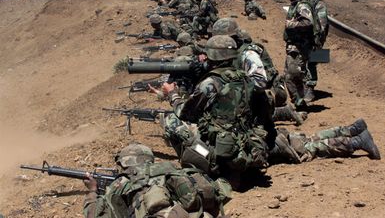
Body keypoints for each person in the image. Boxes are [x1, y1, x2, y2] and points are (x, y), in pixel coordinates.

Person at [159, 35, 271, 189]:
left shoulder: (211, 83)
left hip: (219, 153)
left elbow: (185, 113)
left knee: (171, 121)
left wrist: (172, 94)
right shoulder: (246, 78)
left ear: (212, 57)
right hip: (244, 145)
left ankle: (206, 168)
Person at [83, 143, 232, 218]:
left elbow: (94, 214)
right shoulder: (169, 168)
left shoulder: (120, 184)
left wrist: (92, 191)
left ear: (126, 162)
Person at [211, 18, 307, 126]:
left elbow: (259, 84)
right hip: (263, 91)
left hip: (271, 92)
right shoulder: (235, 49)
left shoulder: (248, 53)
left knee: (239, 120)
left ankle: (282, 113)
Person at [269, 118, 381, 164]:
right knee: (306, 140)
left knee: (305, 149)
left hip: (268, 144)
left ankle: (357, 142)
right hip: (269, 135)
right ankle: (353, 129)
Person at [283, 0, 315, 109]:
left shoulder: (302, 6)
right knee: (292, 76)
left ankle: (300, 104)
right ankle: (300, 102)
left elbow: (308, 22)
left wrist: (291, 24)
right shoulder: (297, 4)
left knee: (292, 76)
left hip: (299, 47)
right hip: (296, 47)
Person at [302, 0, 330, 102]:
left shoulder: (318, 3)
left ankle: (310, 89)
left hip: (312, 40)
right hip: (300, 40)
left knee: (311, 63)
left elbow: (323, 25)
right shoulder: (300, 3)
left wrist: (318, 41)